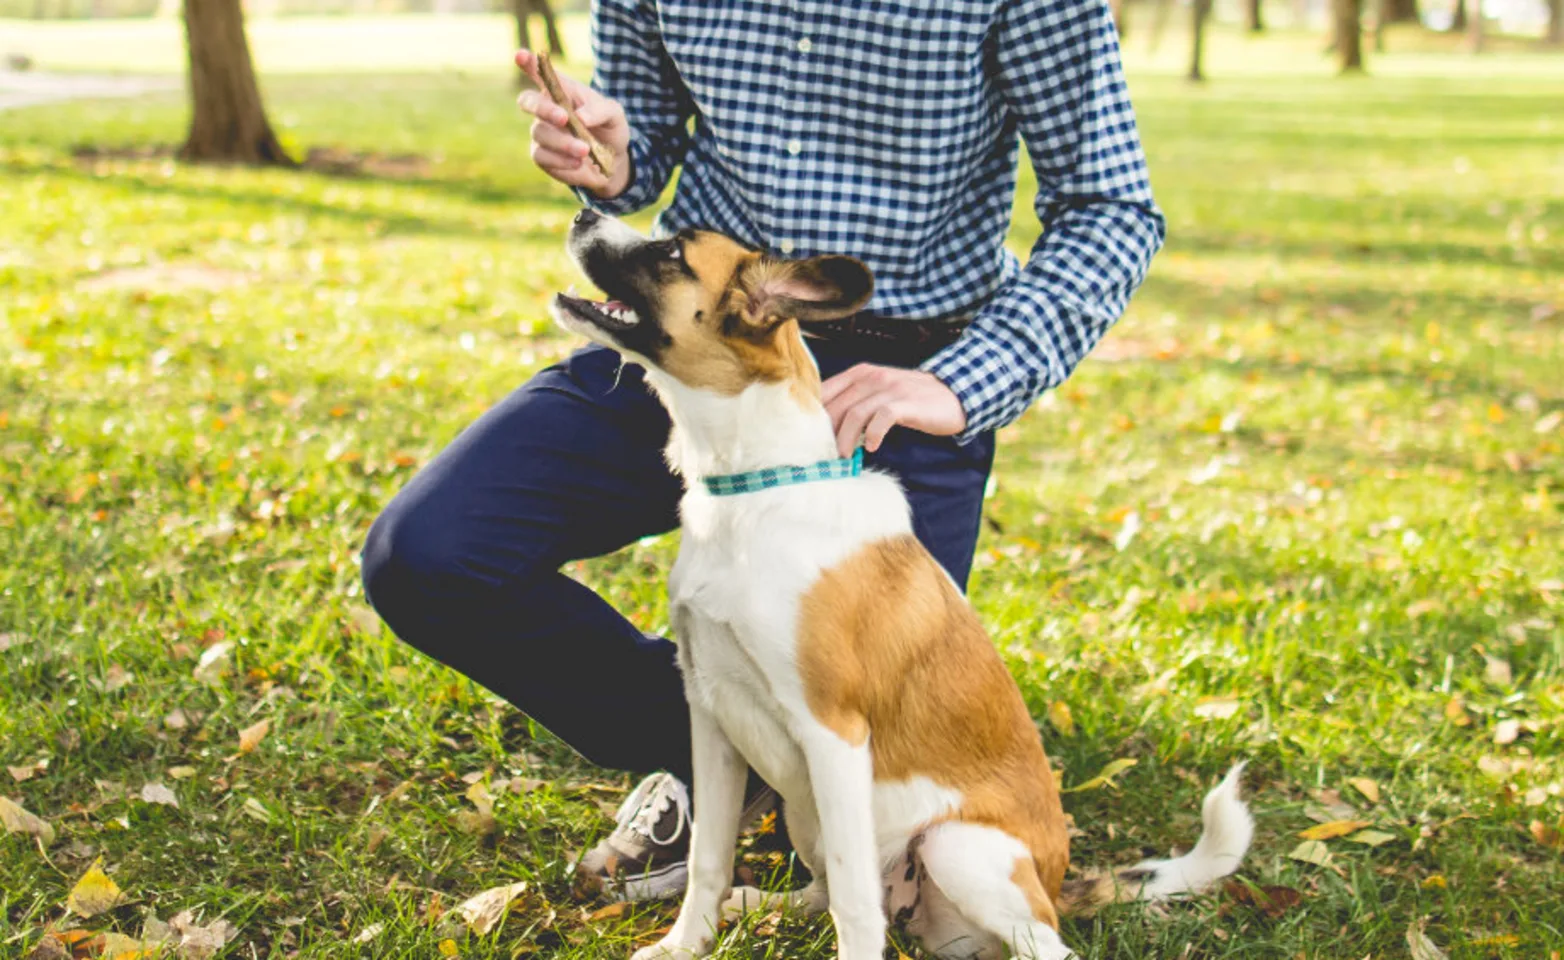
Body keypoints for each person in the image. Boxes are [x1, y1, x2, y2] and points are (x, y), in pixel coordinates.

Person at [361, 0, 1164, 904]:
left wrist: (965, 381)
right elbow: (643, 144)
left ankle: (778, 767)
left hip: (900, 378)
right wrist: (617, 157)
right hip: (693, 344)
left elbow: (1111, 206)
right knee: (430, 557)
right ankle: (709, 751)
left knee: (870, 758)